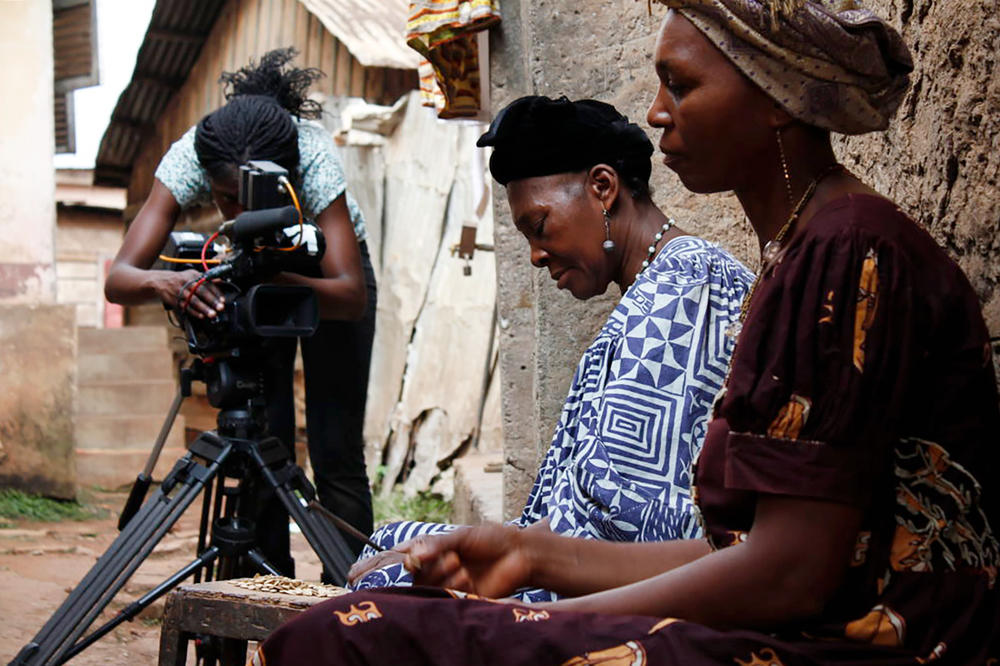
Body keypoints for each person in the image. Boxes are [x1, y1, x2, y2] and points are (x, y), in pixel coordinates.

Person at [252, 2, 1000, 664]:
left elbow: (788, 573)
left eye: (681, 84)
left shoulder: (835, 253)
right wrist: (522, 551)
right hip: (810, 609)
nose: (656, 111)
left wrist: (534, 612)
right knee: (384, 610)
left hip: (880, 633)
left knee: (349, 635)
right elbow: (741, 550)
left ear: (776, 99)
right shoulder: (804, 253)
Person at [347, 95, 754, 602]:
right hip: (581, 564)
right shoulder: (663, 285)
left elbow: (643, 530)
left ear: (601, 188)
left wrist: (510, 554)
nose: (536, 256)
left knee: (387, 590)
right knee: (389, 550)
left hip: (626, 590)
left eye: (539, 227)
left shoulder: (686, 290)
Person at [104, 48, 377, 576]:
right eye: (226, 198)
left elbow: (349, 295)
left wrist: (275, 281)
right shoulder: (190, 155)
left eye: (249, 197)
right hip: (251, 268)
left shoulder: (312, 155)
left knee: (336, 450)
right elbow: (120, 280)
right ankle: (263, 594)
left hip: (323, 270)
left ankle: (349, 605)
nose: (238, 212)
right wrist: (169, 282)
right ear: (207, 177)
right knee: (259, 443)